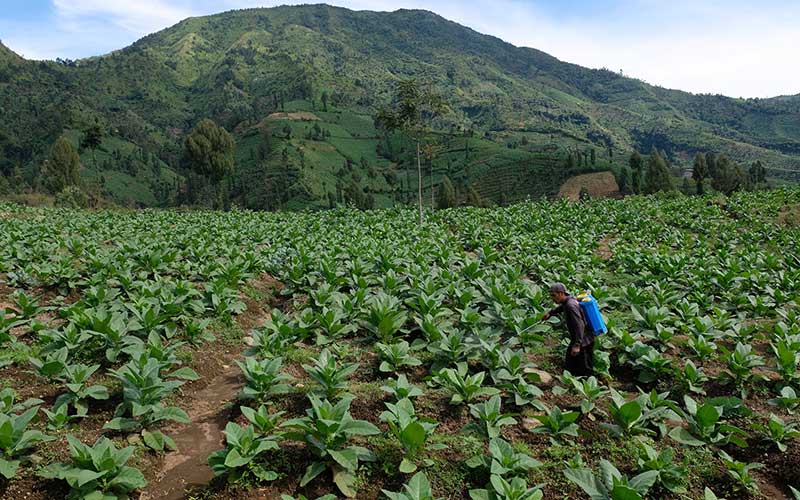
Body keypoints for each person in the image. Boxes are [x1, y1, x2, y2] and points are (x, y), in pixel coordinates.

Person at [542, 282, 594, 376]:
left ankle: (590, 385)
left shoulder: (570, 306)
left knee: (585, 368)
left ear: (561, 293)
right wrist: (550, 313)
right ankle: (572, 384)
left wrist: (577, 345)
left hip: (583, 341)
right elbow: (562, 307)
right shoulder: (568, 301)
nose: (552, 298)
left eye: (554, 295)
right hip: (579, 339)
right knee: (570, 365)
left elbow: (580, 325)